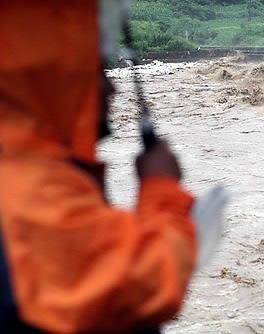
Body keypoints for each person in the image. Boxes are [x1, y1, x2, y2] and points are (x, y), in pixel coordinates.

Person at [0, 1, 198, 332]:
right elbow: (144, 286)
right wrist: (162, 187)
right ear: (57, 81)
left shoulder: (24, 166)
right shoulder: (30, 185)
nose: (113, 88)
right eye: (97, 72)